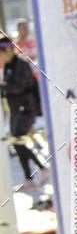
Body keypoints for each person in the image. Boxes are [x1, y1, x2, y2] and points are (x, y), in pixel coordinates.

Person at [0, 34, 46, 187]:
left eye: (1, 53)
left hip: (26, 109)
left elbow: (18, 87)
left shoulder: (21, 63)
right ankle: (29, 178)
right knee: (18, 143)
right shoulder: (8, 65)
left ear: (9, 49)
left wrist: (2, 86)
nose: (1, 57)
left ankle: (42, 169)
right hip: (16, 110)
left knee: (19, 142)